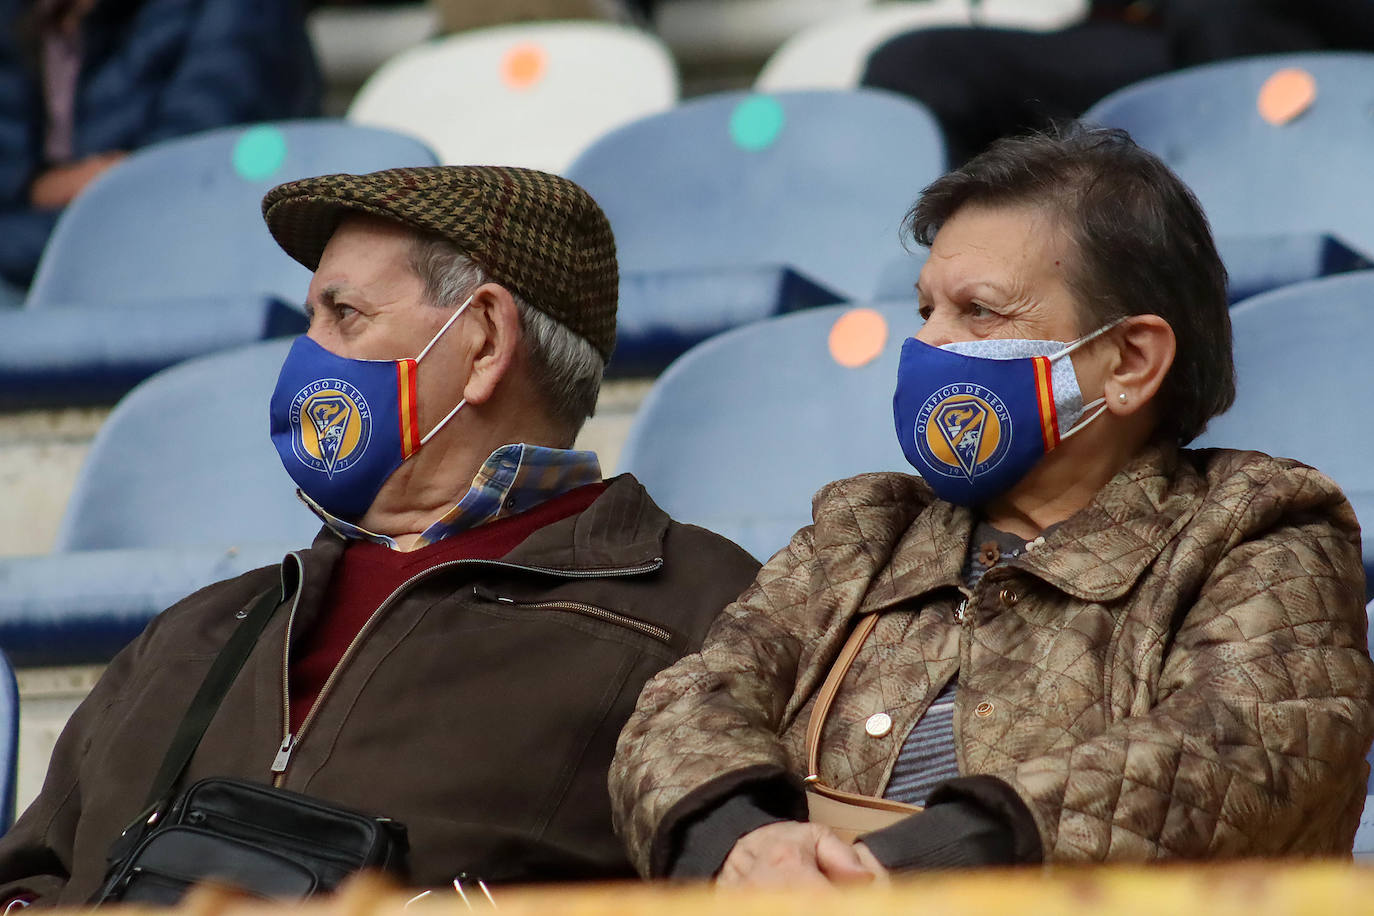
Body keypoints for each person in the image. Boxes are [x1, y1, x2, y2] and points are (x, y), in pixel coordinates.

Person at [610, 126, 1374, 883]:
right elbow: (687, 706)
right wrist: (745, 844)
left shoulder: (1260, 531)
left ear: (1130, 361)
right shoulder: (865, 528)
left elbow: (1239, 754)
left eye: (979, 312)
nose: (930, 346)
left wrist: (918, 866)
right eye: (925, 312)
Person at [0, 165, 760, 903]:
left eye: (344, 315)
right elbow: (29, 876)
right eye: (310, 321)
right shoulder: (200, 628)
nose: (306, 356)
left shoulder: (695, 604)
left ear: (486, 340)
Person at [0, 0, 322, 293]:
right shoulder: (28, 16)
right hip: (61, 255)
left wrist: (92, 182)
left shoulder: (232, 14)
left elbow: (182, 177)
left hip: (198, 264)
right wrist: (56, 185)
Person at [862, 0, 1374, 165]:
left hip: (1298, 43)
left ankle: (1256, 214)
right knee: (919, 61)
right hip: (1134, 36)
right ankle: (936, 271)